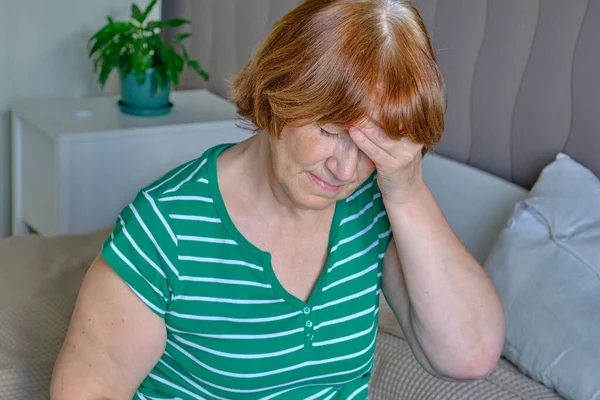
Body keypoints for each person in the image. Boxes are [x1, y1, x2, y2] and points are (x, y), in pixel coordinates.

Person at [50, 0, 505, 398]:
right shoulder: (164, 226)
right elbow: (89, 390)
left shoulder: (376, 205)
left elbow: (469, 356)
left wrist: (407, 192)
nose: (345, 171)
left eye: (373, 147)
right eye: (329, 132)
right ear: (278, 94)